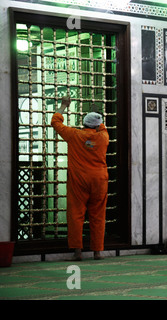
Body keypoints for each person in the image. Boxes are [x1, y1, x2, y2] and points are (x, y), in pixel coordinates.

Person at [51, 96, 109, 261]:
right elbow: (101, 126)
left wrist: (63, 106)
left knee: (76, 214)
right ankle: (97, 252)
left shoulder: (74, 135)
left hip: (79, 180)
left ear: (83, 123)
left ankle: (77, 252)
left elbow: (55, 123)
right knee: (98, 215)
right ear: (98, 125)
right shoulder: (104, 137)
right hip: (99, 180)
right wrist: (96, 113)